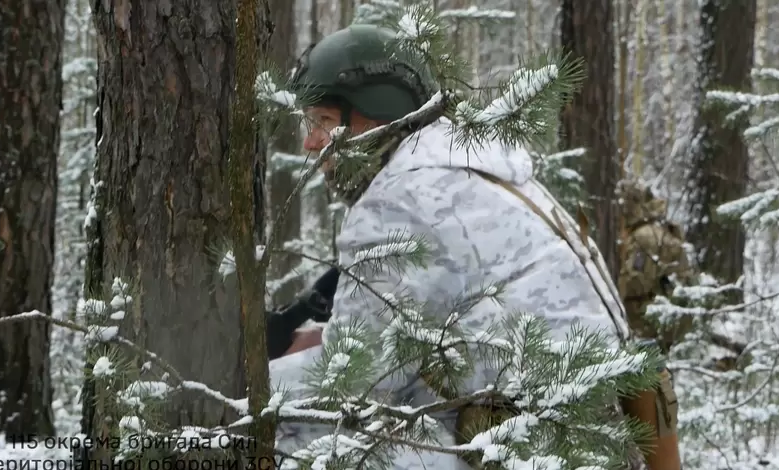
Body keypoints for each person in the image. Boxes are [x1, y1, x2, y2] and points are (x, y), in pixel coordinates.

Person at [270, 24, 678, 470]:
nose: (310, 144)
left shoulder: (400, 199)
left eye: (324, 122)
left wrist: (239, 382)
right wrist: (315, 337)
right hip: (592, 437)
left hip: (531, 448)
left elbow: (353, 385)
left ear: (376, 115)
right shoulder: (469, 167)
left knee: (287, 435)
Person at [617, 180, 697, 354]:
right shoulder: (658, 230)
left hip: (648, 322)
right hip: (665, 320)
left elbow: (634, 283)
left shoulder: (644, 236)